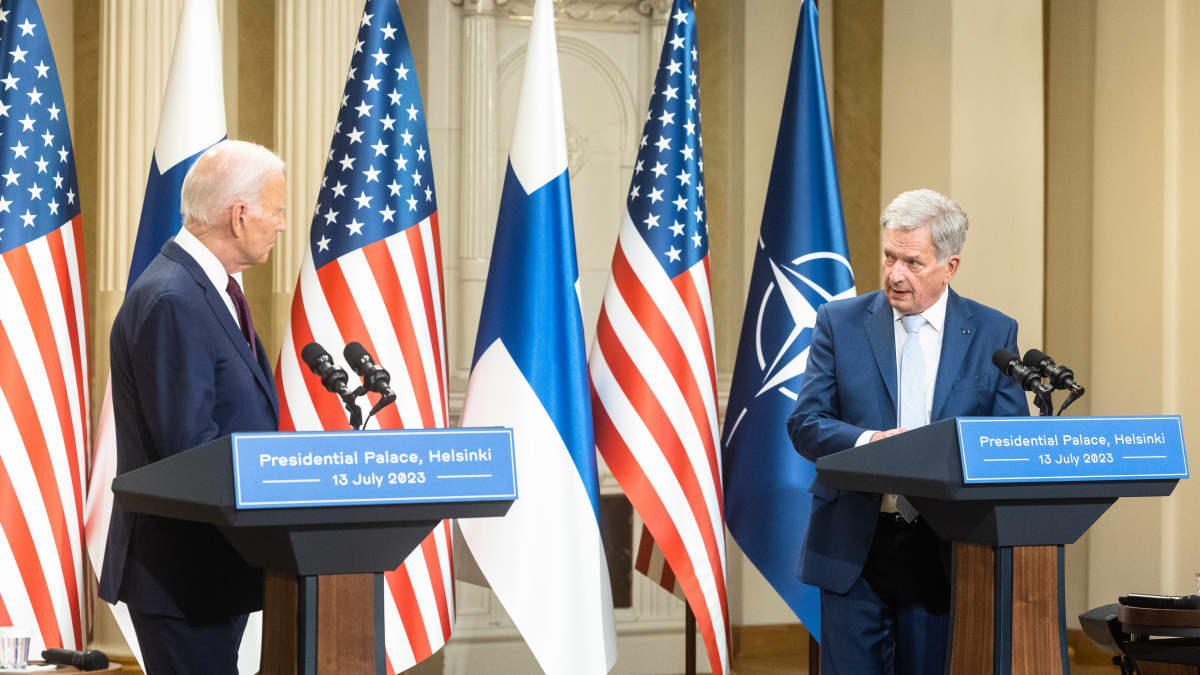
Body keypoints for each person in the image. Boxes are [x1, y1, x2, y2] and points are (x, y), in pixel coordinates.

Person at [787, 189, 1029, 674]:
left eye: (913, 262)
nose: (895, 274)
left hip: (946, 547)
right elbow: (805, 424)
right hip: (856, 542)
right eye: (889, 256)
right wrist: (869, 443)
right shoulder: (840, 322)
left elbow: (1008, 442)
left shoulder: (992, 333)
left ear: (950, 266)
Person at [99, 140, 286, 674]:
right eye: (276, 210)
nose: (280, 224)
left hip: (216, 567)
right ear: (240, 213)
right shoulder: (174, 298)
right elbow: (190, 450)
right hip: (184, 574)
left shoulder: (208, 288)